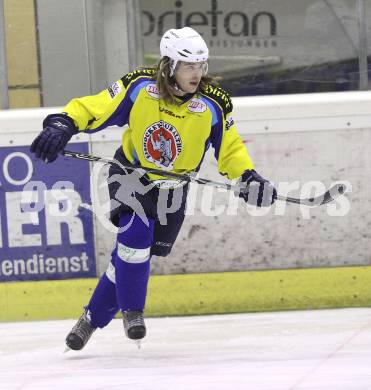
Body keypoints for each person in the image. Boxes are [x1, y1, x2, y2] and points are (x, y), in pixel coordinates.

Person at [30, 26, 277, 350]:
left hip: (173, 189)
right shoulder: (139, 87)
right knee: (135, 235)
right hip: (131, 174)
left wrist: (247, 178)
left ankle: (91, 318)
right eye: (190, 66)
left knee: (133, 257)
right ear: (170, 66)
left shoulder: (214, 103)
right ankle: (133, 312)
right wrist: (64, 122)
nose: (197, 73)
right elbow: (95, 107)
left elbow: (230, 149)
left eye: (202, 66)